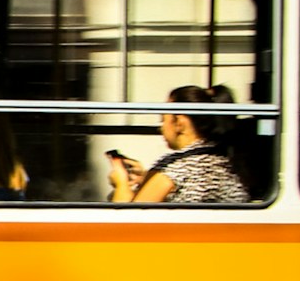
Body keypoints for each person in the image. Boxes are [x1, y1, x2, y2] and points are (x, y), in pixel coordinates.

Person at [107, 85, 250, 204]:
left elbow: (129, 220)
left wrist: (121, 183)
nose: (161, 127)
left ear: (179, 124)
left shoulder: (173, 168)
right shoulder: (225, 159)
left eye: (163, 119)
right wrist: (146, 179)